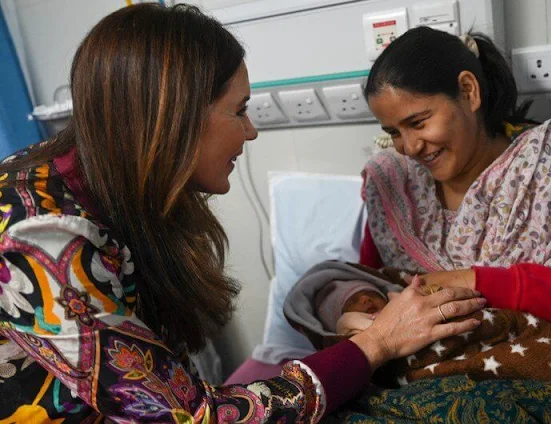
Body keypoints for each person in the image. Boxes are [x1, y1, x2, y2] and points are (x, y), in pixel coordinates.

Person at [0, 5, 486, 423]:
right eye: (240, 110)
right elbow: (188, 415)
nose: (251, 132)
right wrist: (375, 343)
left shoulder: (98, 176)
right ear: (175, 119)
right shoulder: (41, 237)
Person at [359, 27, 551, 341]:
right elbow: (367, 283)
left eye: (418, 122)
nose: (409, 147)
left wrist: (473, 282)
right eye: (395, 132)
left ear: (468, 91)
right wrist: (350, 309)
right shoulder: (394, 182)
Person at [315, 279, 389, 336]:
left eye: (372, 294)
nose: (365, 298)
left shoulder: (396, 301)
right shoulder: (352, 339)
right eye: (353, 301)